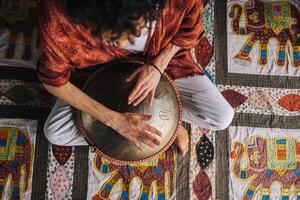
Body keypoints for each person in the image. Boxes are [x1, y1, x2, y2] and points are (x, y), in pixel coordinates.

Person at [38, 0, 234, 156]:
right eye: (115, 37)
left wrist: (158, 66)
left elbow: (190, 29)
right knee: (55, 132)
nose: (126, 41)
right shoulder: (58, 17)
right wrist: (113, 120)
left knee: (222, 117)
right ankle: (163, 123)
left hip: (159, 57)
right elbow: (53, 80)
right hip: (96, 71)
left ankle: (172, 123)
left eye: (137, 30)